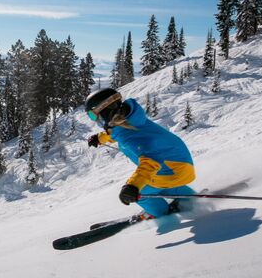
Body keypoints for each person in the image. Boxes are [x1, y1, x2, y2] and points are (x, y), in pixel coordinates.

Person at [84, 88, 196, 219]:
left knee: (141, 193)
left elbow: (150, 162)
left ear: (104, 110)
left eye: (93, 115)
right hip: (180, 164)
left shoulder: (131, 136)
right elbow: (118, 132)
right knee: (157, 185)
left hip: (170, 169)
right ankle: (189, 198)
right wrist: (100, 138)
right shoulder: (131, 118)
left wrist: (132, 187)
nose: (94, 120)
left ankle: (163, 215)